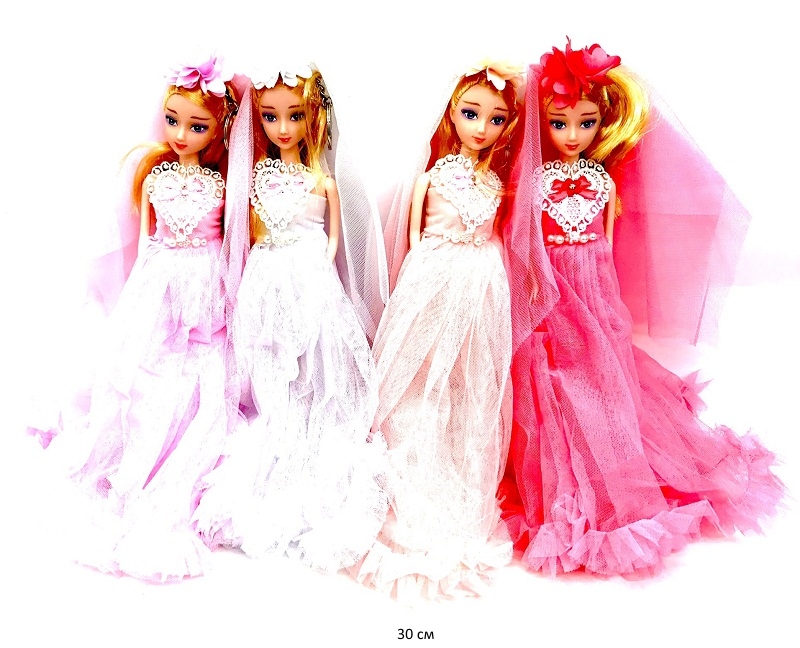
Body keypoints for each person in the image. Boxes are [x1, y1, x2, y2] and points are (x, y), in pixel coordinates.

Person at [500, 40, 785, 576]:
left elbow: (607, 244)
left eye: (584, 123)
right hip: (553, 288)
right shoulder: (535, 182)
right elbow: (526, 244)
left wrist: (609, 303)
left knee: (603, 379)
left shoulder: (601, 181)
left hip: (594, 286)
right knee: (555, 380)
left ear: (600, 124)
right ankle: (565, 476)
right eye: (559, 123)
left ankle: (613, 471)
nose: (572, 135)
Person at [28, 54, 241, 581]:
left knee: (199, 371)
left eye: (196, 126)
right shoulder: (153, 176)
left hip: (205, 279)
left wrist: (223, 292)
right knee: (144, 369)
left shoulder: (223, 184)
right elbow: (147, 240)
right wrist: (140, 292)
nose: (181, 135)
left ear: (218, 131)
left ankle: (179, 447)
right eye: (173, 121)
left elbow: (228, 242)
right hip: (158, 277)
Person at [192, 64, 387, 574]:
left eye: (294, 115)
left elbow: (334, 241)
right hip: (267, 275)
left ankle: (311, 434)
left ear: (312, 116)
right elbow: (246, 233)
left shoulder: (323, 180)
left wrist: (318, 272)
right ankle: (277, 425)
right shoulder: (256, 176)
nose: (282, 128)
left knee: (317, 366)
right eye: (272, 116)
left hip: (309, 277)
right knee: (271, 365)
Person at [353, 62, 522, 600]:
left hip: (480, 290)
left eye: (495, 118)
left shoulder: (495, 184)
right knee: (412, 380)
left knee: (469, 383)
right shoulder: (429, 179)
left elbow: (495, 238)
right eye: (471, 113)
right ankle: (401, 472)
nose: (482, 127)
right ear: (450, 113)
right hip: (432, 281)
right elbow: (409, 244)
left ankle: (458, 463)